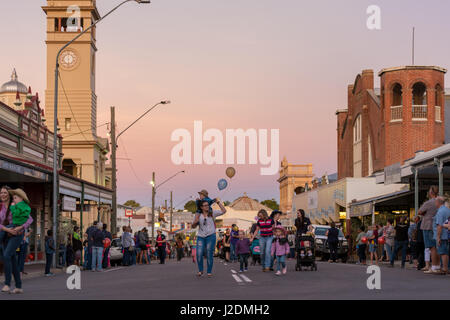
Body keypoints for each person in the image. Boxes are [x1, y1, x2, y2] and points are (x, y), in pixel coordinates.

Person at [0, 188, 33, 294]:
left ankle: (7, 284)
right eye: (1, 192)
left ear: (9, 195)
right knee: (12, 259)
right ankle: (18, 286)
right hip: (5, 233)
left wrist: (21, 228)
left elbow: (30, 219)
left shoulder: (15, 205)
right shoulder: (0, 207)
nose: (3, 194)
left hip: (16, 233)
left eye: (5, 192)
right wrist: (6, 229)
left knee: (6, 255)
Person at [192, 199, 227, 277]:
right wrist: (195, 221)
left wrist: (218, 202)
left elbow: (224, 211)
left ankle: (209, 271)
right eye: (205, 205)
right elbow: (193, 226)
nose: (207, 207)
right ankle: (200, 270)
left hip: (211, 236)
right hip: (201, 236)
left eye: (208, 205)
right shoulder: (198, 215)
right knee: (199, 253)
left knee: (209, 253)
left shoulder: (212, 213)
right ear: (201, 207)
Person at [418, 186, 440, 273]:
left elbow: (419, 212)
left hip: (428, 225)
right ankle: (437, 265)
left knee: (431, 247)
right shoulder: (439, 202)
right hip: (436, 224)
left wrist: (424, 213)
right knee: (436, 246)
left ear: (431, 192)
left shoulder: (429, 202)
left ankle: (434, 266)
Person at [433, 196, 450, 275]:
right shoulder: (447, 210)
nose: (435, 203)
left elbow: (439, 225)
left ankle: (444, 268)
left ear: (438, 202)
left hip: (443, 234)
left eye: (435, 202)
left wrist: (438, 237)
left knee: (443, 252)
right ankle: (445, 267)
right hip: (447, 234)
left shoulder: (440, 212)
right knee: (446, 251)